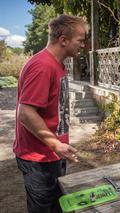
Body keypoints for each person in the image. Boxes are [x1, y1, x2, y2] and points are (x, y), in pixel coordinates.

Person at [13, 15, 87, 213]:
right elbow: (26, 113)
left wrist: (58, 147)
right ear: (63, 40)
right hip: (38, 160)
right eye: (80, 40)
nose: (83, 44)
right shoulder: (43, 66)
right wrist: (55, 144)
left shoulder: (56, 64)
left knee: (58, 207)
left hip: (52, 155)